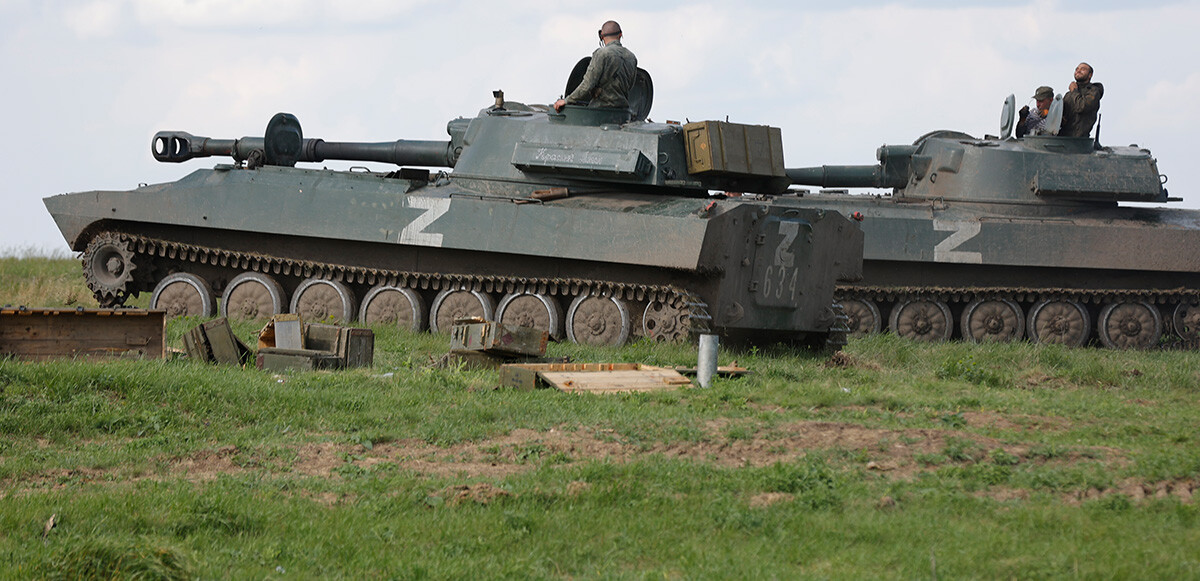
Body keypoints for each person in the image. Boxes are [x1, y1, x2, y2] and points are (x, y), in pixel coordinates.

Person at [553, 21, 638, 114]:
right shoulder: (631, 57)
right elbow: (630, 86)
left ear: (601, 36)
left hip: (599, 111)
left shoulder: (601, 54)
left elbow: (587, 85)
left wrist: (566, 100)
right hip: (621, 112)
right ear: (620, 35)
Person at [1060, 62, 1103, 138]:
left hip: (1079, 141)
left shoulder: (1093, 91)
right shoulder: (1069, 94)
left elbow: (1082, 107)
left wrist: (1074, 91)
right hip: (1064, 139)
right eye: (1077, 69)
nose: (1078, 71)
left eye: (1083, 69)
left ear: (1090, 75)